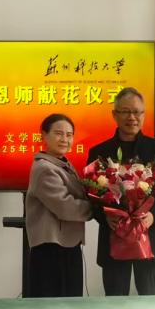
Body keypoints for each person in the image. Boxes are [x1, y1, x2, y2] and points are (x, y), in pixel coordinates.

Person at [87, 88, 155, 296]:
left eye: (137, 112)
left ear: (144, 115)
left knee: (152, 304)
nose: (132, 117)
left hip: (151, 240)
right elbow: (90, 197)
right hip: (114, 240)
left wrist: (153, 215)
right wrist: (105, 217)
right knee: (115, 303)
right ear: (115, 115)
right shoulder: (99, 153)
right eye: (125, 111)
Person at [24, 113, 92, 297]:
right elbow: (65, 207)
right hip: (51, 249)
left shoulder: (62, 164)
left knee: (70, 304)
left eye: (69, 135)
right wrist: (97, 209)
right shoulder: (45, 168)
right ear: (44, 135)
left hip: (66, 245)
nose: (65, 139)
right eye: (58, 133)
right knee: (51, 306)